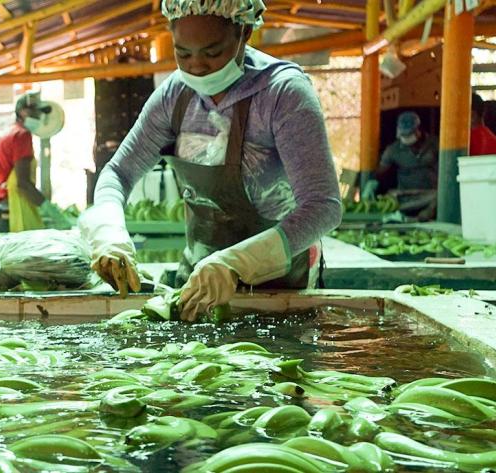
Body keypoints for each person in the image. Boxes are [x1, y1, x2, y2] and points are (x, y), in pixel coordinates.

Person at [81, 0, 342, 321]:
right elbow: (118, 173)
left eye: (212, 52)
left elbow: (323, 206)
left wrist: (236, 262)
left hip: (281, 288)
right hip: (196, 283)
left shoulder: (282, 94)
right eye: (183, 53)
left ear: (244, 32)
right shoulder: (174, 95)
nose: (197, 66)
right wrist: (109, 234)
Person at [0, 91, 67, 232]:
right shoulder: (22, 135)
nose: (40, 117)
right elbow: (23, 183)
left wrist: (1, 202)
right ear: (23, 112)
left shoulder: (3, 137)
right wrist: (51, 211)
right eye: (36, 112)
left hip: (0, 214)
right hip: (15, 214)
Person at [369, 112, 439, 219]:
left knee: (439, 198)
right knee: (389, 199)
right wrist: (371, 182)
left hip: (430, 194)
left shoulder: (435, 144)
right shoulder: (393, 150)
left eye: (409, 134)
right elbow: (381, 170)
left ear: (418, 131)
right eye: (404, 135)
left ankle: (426, 214)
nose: (406, 137)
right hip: (405, 195)